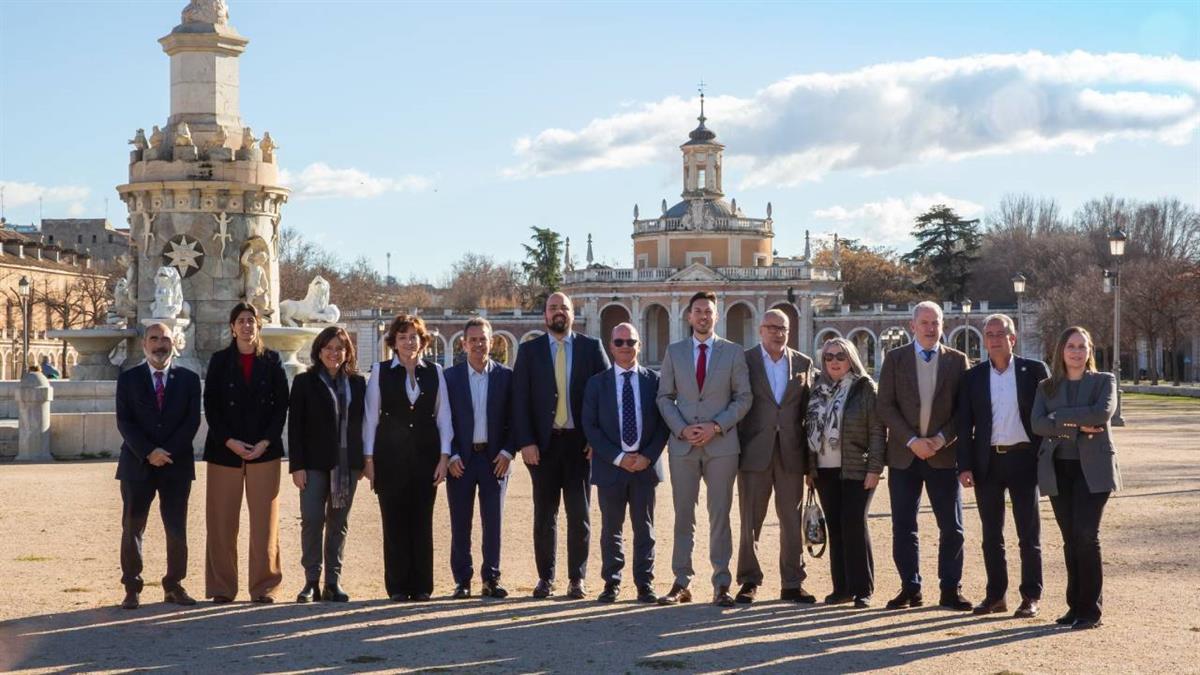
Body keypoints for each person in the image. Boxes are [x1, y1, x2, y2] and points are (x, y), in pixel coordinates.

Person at [656, 291, 753, 607]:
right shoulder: (675, 351)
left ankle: (721, 583)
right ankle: (681, 581)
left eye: (708, 312)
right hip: (683, 445)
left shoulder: (733, 352)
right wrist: (682, 428)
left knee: (719, 515)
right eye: (698, 311)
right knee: (684, 515)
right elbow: (664, 397)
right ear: (688, 316)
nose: (703, 316)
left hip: (721, 444)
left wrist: (716, 426)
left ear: (716, 316)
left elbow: (744, 398)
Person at [512, 292, 610, 599]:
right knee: (544, 515)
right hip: (542, 446)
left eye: (564, 308)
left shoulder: (591, 348)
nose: (559, 312)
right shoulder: (529, 351)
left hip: (581, 446)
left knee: (579, 514)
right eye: (553, 308)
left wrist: (597, 440)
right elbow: (520, 401)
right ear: (544, 315)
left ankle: (576, 579)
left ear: (572, 313)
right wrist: (526, 441)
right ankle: (546, 577)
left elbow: (606, 395)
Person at [876, 300, 972, 611]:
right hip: (905, 456)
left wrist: (942, 438)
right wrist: (911, 440)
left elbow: (964, 410)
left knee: (952, 527)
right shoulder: (894, 359)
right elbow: (885, 406)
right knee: (904, 525)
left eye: (936, 323)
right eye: (925, 323)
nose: (931, 329)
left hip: (943, 456)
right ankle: (910, 587)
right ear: (912, 326)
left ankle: (950, 588)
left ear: (942, 326)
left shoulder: (957, 361)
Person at [957, 314, 1050, 618]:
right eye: (990, 334)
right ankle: (996, 595)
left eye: (1001, 333)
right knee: (991, 535)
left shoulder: (1034, 371)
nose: (995, 338)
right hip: (988, 462)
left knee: (1028, 533)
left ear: (1013, 338)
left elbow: (1049, 414)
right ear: (984, 340)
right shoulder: (973, 377)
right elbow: (964, 424)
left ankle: (1031, 596)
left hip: (1025, 459)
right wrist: (965, 466)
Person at [1031, 326, 1121, 630]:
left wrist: (1060, 418)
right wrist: (1076, 425)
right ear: (1061, 350)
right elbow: (1038, 424)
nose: (1077, 352)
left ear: (1090, 350)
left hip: (1093, 470)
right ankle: (1074, 606)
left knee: (1086, 534)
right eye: (1071, 346)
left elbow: (1101, 414)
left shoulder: (1103, 381)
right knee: (1070, 538)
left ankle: (1091, 611)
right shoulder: (1046, 387)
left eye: (1083, 346)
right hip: (1059, 470)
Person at [363, 313, 453, 601]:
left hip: (427, 458)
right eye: (402, 337)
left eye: (413, 336)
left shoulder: (435, 371)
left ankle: (422, 585)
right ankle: (398, 586)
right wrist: (368, 459)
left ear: (422, 340)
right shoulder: (380, 371)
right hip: (389, 457)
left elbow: (444, 417)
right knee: (394, 522)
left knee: (422, 521)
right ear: (394, 341)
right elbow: (370, 418)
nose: (408, 341)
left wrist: (444, 456)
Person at [203, 302, 289, 603]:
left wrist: (266, 441)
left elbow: (281, 407)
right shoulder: (219, 361)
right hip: (225, 450)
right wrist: (229, 441)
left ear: (258, 326)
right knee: (221, 522)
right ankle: (222, 587)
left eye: (251, 321)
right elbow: (210, 406)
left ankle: (265, 587)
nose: (246, 326)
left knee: (265, 524)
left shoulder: (273, 361)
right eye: (241, 321)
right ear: (232, 327)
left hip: (264, 451)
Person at [114, 322, 202, 609]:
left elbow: (192, 421)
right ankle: (132, 586)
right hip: (138, 464)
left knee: (176, 527)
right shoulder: (128, 379)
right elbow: (124, 421)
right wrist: (149, 452)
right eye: (154, 339)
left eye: (165, 339)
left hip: (176, 464)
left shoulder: (189, 379)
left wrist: (167, 452)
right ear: (144, 345)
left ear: (173, 343)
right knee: (132, 526)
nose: (160, 344)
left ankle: (174, 584)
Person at [582, 323, 669, 603]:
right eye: (619, 342)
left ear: (639, 346)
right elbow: (590, 427)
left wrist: (648, 457)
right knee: (611, 529)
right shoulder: (597, 383)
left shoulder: (654, 381)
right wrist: (619, 458)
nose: (625, 347)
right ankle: (612, 582)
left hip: (645, 466)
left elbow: (663, 425)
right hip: (611, 467)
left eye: (631, 342)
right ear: (611, 346)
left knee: (645, 528)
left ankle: (645, 583)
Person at [734, 309, 817, 605]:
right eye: (771, 327)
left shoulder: (804, 363)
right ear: (760, 330)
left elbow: (810, 414)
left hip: (791, 453)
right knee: (750, 521)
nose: (777, 333)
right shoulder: (745, 361)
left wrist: (811, 462)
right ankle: (748, 580)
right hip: (754, 452)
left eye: (782, 328)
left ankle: (792, 582)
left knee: (791, 519)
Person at [288, 326, 366, 603]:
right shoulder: (304, 382)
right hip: (312, 464)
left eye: (339, 348)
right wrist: (296, 466)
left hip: (346, 465)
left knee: (338, 524)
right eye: (328, 348)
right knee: (311, 520)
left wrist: (365, 461)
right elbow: (295, 427)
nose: (334, 353)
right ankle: (311, 581)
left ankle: (333, 581)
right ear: (319, 351)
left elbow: (364, 425)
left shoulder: (358, 384)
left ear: (347, 353)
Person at [805, 337, 885, 609]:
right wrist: (810, 469)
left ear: (851, 358)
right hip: (824, 468)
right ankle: (841, 588)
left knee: (854, 524)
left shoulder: (865, 388)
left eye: (840, 356)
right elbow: (809, 430)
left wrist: (875, 468)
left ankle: (862, 588)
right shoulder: (817, 388)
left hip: (857, 467)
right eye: (828, 357)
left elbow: (877, 431)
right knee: (836, 528)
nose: (834, 362)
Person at [445, 317, 514, 599]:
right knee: (460, 522)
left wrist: (509, 451)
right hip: (461, 460)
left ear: (491, 341)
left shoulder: (506, 377)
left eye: (482, 339)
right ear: (463, 344)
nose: (478, 344)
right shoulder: (450, 378)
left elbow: (515, 418)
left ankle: (491, 578)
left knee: (493, 522)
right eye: (472, 339)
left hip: (494, 457)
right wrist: (450, 455)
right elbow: (441, 420)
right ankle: (462, 580)